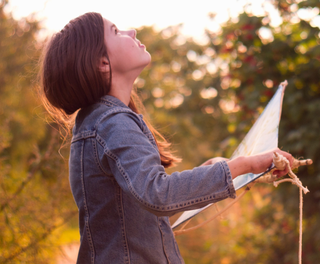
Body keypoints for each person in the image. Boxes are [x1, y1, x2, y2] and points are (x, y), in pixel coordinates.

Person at [39, 12, 293, 263]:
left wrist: (217, 169)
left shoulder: (100, 121)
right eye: (116, 31)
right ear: (102, 62)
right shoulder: (111, 122)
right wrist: (245, 165)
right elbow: (159, 195)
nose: (132, 32)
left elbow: (143, 211)